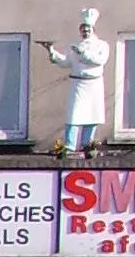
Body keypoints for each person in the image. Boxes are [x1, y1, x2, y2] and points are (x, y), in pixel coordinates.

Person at [42, 10, 110, 155]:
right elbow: (66, 62)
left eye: (87, 28)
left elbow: (99, 61)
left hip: (94, 83)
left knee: (93, 114)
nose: (85, 31)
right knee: (74, 114)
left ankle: (87, 144)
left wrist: (82, 53)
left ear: (93, 29)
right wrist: (52, 51)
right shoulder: (74, 45)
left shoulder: (102, 45)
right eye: (83, 29)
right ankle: (70, 145)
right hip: (78, 84)